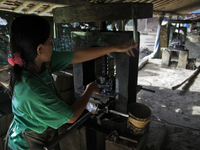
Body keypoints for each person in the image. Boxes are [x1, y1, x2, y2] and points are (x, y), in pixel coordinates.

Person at [5, 15, 138, 150]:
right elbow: (72, 116)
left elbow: (76, 56)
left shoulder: (38, 63)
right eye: (50, 42)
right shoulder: (31, 90)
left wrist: (116, 47)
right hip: (23, 146)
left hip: (41, 133)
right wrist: (90, 90)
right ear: (39, 49)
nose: (52, 45)